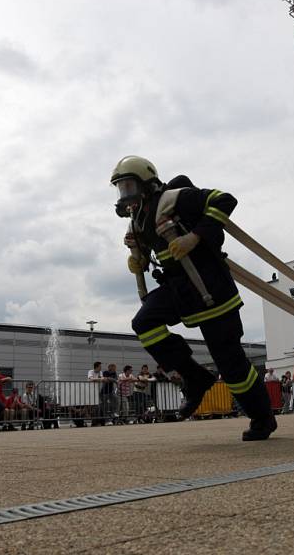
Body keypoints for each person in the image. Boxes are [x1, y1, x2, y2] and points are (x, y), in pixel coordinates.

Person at [111, 156, 276, 441]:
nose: (125, 194)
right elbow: (152, 253)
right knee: (144, 322)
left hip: (211, 290)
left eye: (129, 186)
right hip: (180, 289)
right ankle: (195, 377)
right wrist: (137, 262)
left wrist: (196, 237)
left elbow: (224, 200)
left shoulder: (176, 199)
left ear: (146, 183)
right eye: (121, 188)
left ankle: (262, 418)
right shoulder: (138, 219)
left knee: (230, 363)